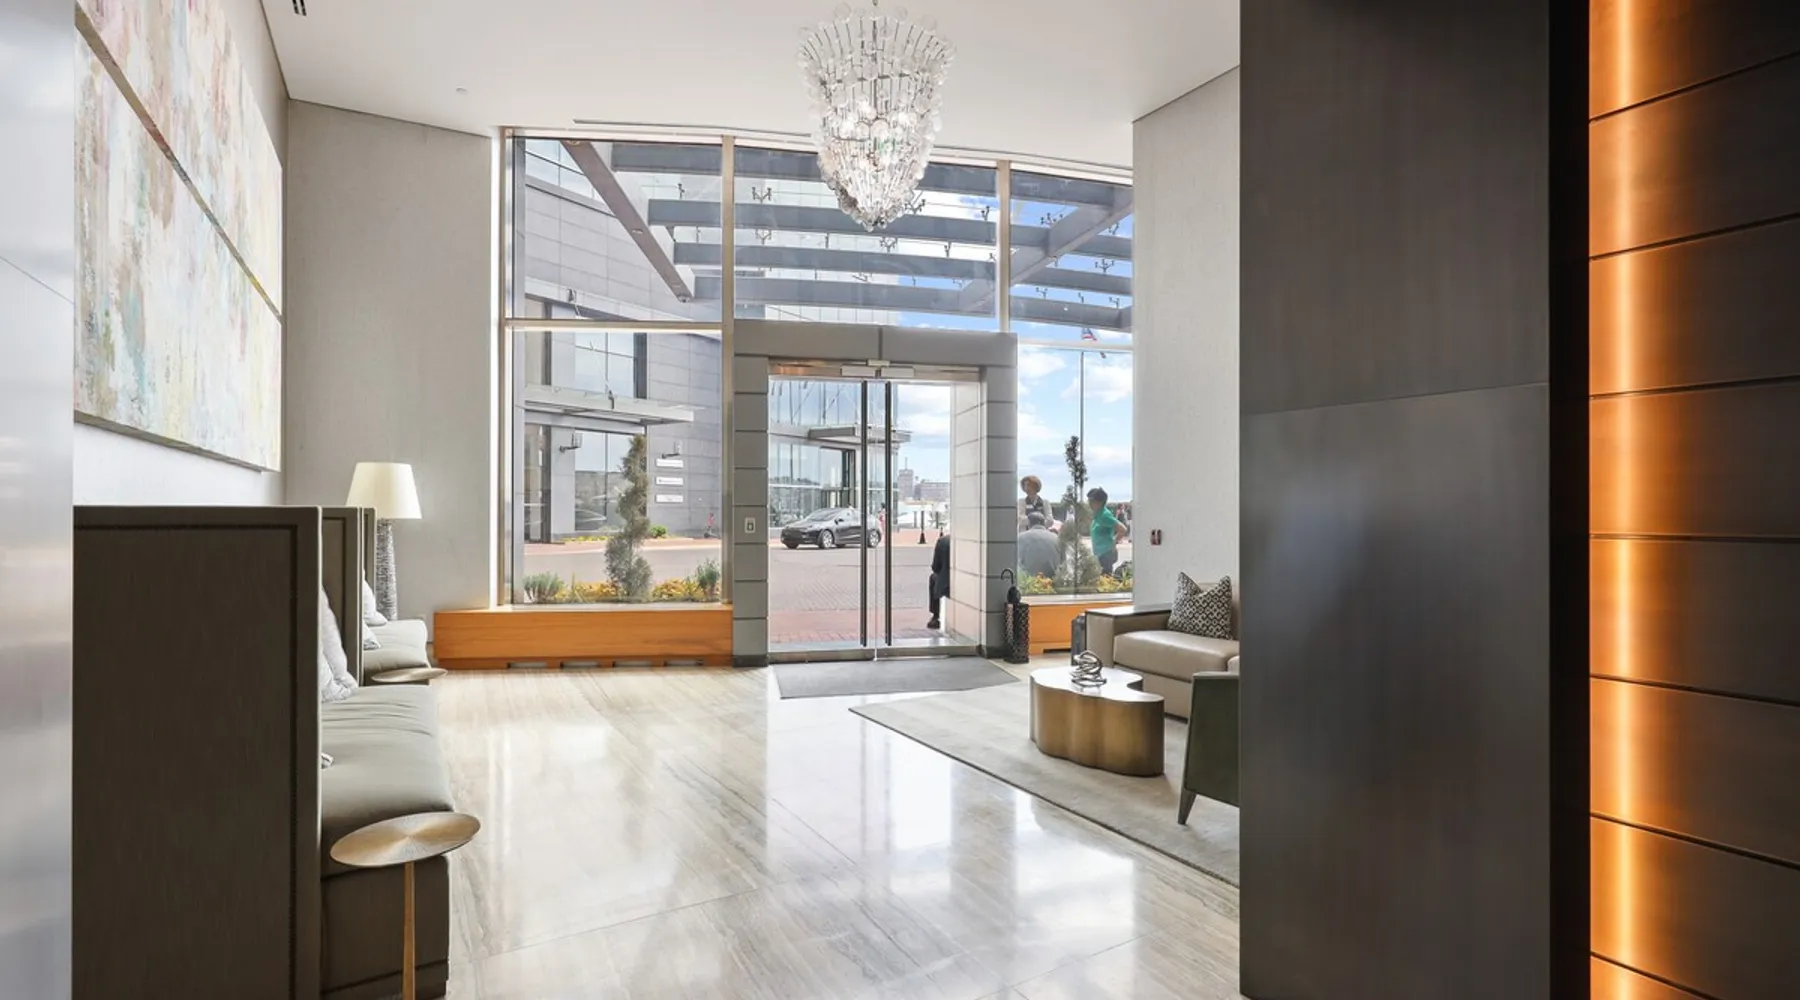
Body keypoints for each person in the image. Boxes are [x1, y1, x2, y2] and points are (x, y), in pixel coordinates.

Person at [1087, 487, 1126, 577]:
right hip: (1099, 554)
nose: (1089, 504)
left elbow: (1123, 529)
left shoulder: (1105, 515)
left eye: (1092, 501)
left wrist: (1113, 542)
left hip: (1105, 554)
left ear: (1100, 502)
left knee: (1105, 579)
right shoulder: (1097, 514)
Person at [1016, 512, 1059, 579]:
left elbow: (1017, 561)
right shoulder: (1056, 538)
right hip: (1053, 581)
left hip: (1029, 582)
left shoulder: (1020, 538)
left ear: (1029, 523)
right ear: (1044, 523)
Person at [927, 530, 950, 629]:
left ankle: (935, 616)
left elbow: (935, 567)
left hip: (947, 582)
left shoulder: (943, 541)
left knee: (933, 578)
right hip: (967, 580)